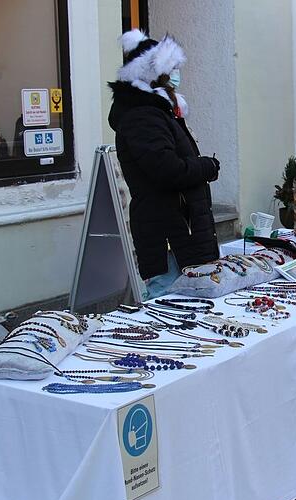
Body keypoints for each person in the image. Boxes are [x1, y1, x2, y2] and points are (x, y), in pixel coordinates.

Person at [108, 30, 221, 299]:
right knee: (169, 308)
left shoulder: (156, 113)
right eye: (171, 71)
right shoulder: (142, 117)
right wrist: (207, 166)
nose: (175, 77)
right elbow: (167, 170)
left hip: (181, 232)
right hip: (170, 237)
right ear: (154, 76)